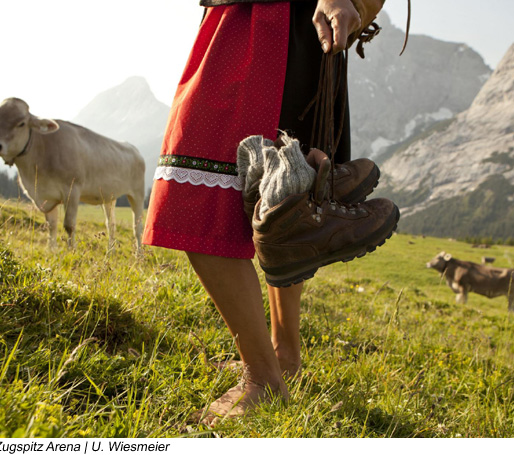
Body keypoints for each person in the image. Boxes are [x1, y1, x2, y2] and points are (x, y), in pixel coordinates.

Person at [142, 0, 393, 425]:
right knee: (285, 208)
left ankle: (263, 379)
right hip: (264, 25)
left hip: (269, 30)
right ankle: (283, 355)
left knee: (197, 193)